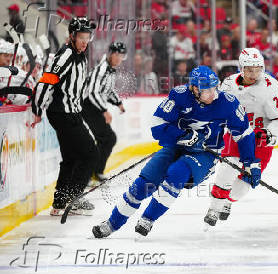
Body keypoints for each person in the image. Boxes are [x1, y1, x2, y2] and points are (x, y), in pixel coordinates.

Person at [92, 65, 261, 238]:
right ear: (194, 89)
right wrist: (183, 135)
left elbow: (244, 133)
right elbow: (157, 125)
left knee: (176, 174)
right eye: (206, 90)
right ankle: (112, 223)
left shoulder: (228, 103)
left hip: (204, 154)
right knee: (141, 186)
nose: (213, 93)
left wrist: (251, 163)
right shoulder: (179, 95)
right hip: (176, 147)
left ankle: (148, 219)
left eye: (214, 88)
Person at [203, 48, 278, 227]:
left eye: (258, 69)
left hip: (260, 142)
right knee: (228, 169)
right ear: (241, 68)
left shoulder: (271, 86)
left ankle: (227, 202)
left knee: (243, 187)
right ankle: (214, 207)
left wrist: (269, 133)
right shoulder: (228, 84)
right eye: (250, 70)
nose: (254, 74)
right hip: (237, 136)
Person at [31, 17, 98, 216]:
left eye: (88, 37)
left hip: (71, 112)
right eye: (81, 37)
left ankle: (60, 202)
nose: (85, 41)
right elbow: (46, 81)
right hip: (63, 114)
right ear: (72, 36)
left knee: (71, 158)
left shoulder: (80, 55)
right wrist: (37, 109)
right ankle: (74, 197)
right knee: (90, 154)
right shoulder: (66, 54)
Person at [82, 42, 127, 183]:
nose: (119, 58)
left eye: (122, 56)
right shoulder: (101, 69)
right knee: (107, 138)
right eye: (117, 55)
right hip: (89, 107)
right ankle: (91, 173)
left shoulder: (110, 70)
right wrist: (104, 111)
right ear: (111, 54)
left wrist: (118, 102)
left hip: (95, 107)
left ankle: (94, 172)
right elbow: (92, 93)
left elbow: (107, 91)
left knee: (106, 139)